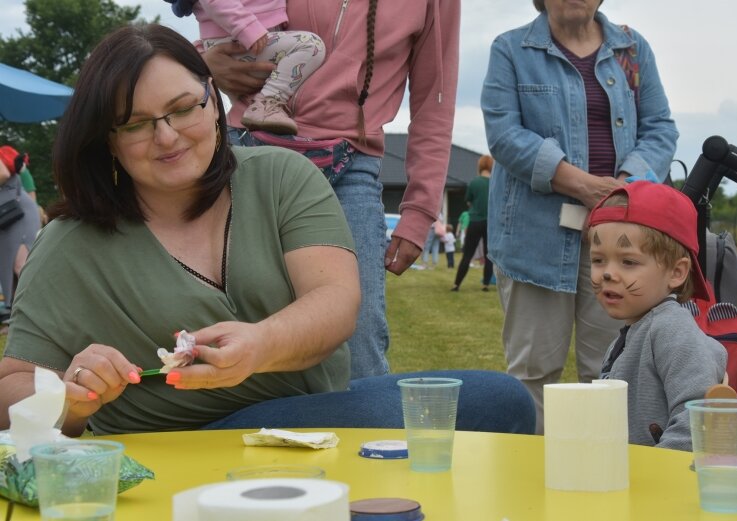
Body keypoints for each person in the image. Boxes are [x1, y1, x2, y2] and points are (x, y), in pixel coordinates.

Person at [0, 24, 535, 438]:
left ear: (213, 101)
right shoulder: (69, 243)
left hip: (314, 421)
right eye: (136, 123)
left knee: (500, 400)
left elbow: (335, 302)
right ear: (108, 139)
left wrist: (260, 345)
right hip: (174, 445)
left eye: (183, 108)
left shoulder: (281, 176)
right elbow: (9, 389)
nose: (166, 136)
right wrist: (70, 399)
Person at [201, 0, 460, 379]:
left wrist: (420, 209)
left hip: (350, 166)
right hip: (251, 152)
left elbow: (435, 97)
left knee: (358, 340)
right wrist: (203, 63)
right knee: (234, 328)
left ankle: (364, 434)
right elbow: (223, 13)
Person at [481, 0, 679, 432]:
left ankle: (604, 479)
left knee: (612, 374)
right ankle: (532, 481)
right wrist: (587, 187)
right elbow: (504, 134)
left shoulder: (631, 51)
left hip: (618, 241)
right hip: (532, 242)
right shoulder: (511, 49)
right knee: (532, 372)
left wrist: (625, 186)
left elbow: (661, 127)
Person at [588, 181, 726, 450]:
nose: (607, 273)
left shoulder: (671, 330)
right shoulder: (632, 331)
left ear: (677, 272)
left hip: (663, 484)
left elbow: (698, 420)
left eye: (628, 262)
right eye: (598, 260)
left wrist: (656, 473)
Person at [170, 0, 325, 134]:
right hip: (238, 38)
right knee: (311, 45)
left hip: (240, 36)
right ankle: (266, 103)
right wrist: (247, 27)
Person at [0, 146, 41, 321]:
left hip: (18, 216)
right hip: (9, 217)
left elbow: (3, 174)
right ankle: (18, 321)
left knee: (20, 266)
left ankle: (39, 315)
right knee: (11, 270)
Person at [452, 154, 493, 292]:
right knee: (489, 255)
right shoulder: (495, 183)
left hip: (475, 221)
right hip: (490, 223)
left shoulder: (474, 182)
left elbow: (469, 201)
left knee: (467, 254)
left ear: (480, 166)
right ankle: (486, 284)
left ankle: (456, 284)